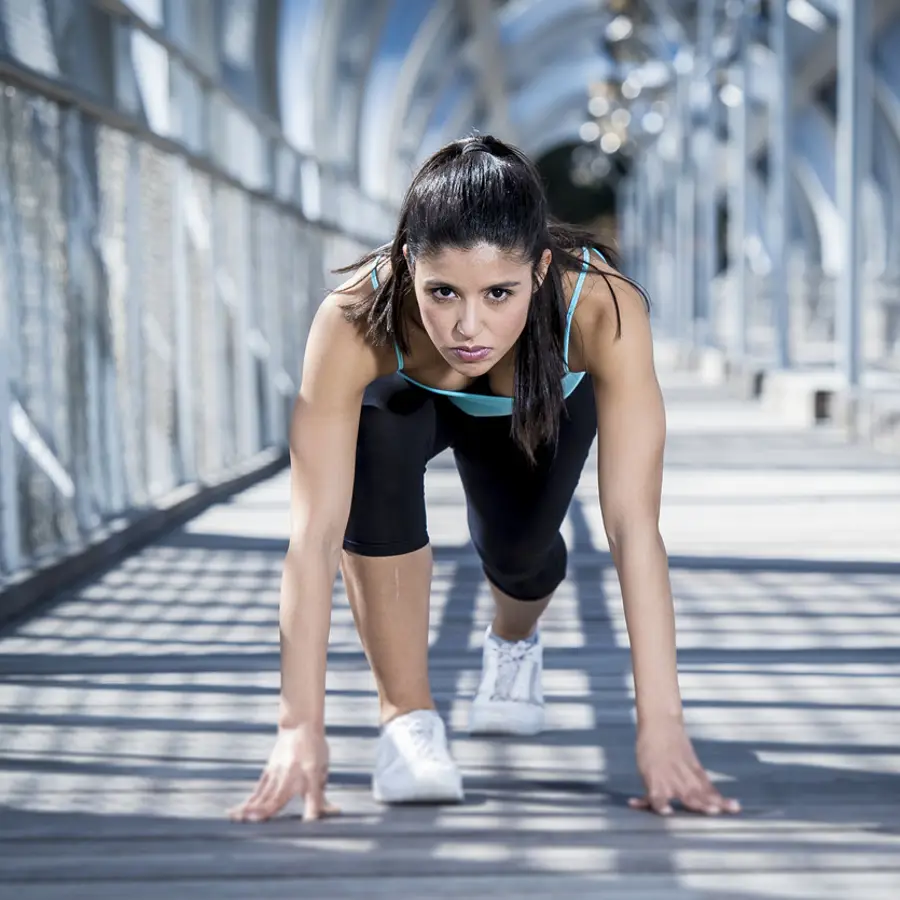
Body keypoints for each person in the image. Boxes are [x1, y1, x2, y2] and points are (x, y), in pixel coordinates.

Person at [229, 134, 741, 823]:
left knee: (521, 552)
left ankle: (512, 641)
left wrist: (662, 724)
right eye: (442, 292)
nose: (470, 327)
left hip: (541, 402)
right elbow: (313, 537)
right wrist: (298, 727)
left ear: (540, 268)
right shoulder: (354, 317)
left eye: (500, 292)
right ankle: (407, 722)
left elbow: (631, 529)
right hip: (412, 408)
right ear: (408, 262)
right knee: (374, 434)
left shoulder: (599, 306)